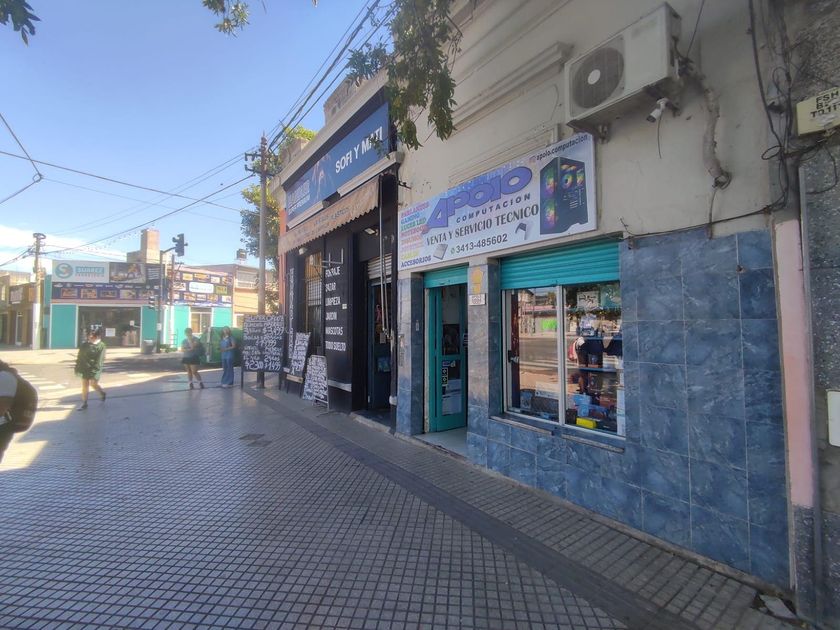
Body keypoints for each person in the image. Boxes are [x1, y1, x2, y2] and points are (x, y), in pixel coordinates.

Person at [74, 329, 107, 410]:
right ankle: (84, 403)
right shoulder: (85, 345)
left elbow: (100, 358)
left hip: (95, 367)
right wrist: (78, 365)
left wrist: (96, 368)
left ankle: (102, 393)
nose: (90, 337)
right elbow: (80, 355)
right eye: (89, 336)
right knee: (85, 385)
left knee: (93, 384)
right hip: (85, 367)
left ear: (97, 336)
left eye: (92, 336)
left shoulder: (101, 345)